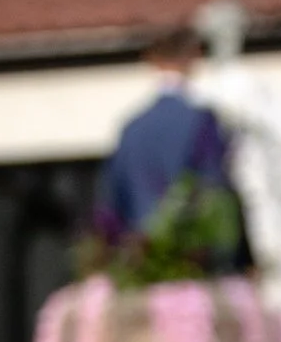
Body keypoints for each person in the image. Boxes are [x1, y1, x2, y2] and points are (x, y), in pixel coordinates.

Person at [94, 25, 236, 246]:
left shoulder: (131, 128)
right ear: (194, 58)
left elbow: (114, 200)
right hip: (195, 254)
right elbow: (216, 190)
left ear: (152, 62)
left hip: (142, 257)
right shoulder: (203, 121)